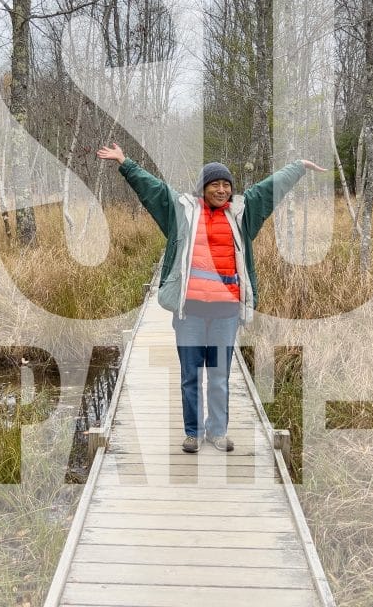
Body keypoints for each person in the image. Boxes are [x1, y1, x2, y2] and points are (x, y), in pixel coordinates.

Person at [96, 143, 326, 453]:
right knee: (191, 376)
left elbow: (269, 189)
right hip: (189, 312)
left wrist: (297, 166)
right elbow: (153, 190)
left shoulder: (242, 214)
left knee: (218, 377)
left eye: (226, 184)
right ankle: (192, 432)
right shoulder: (181, 212)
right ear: (203, 188)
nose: (221, 190)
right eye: (215, 184)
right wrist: (126, 164)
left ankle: (218, 432)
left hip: (225, 313)